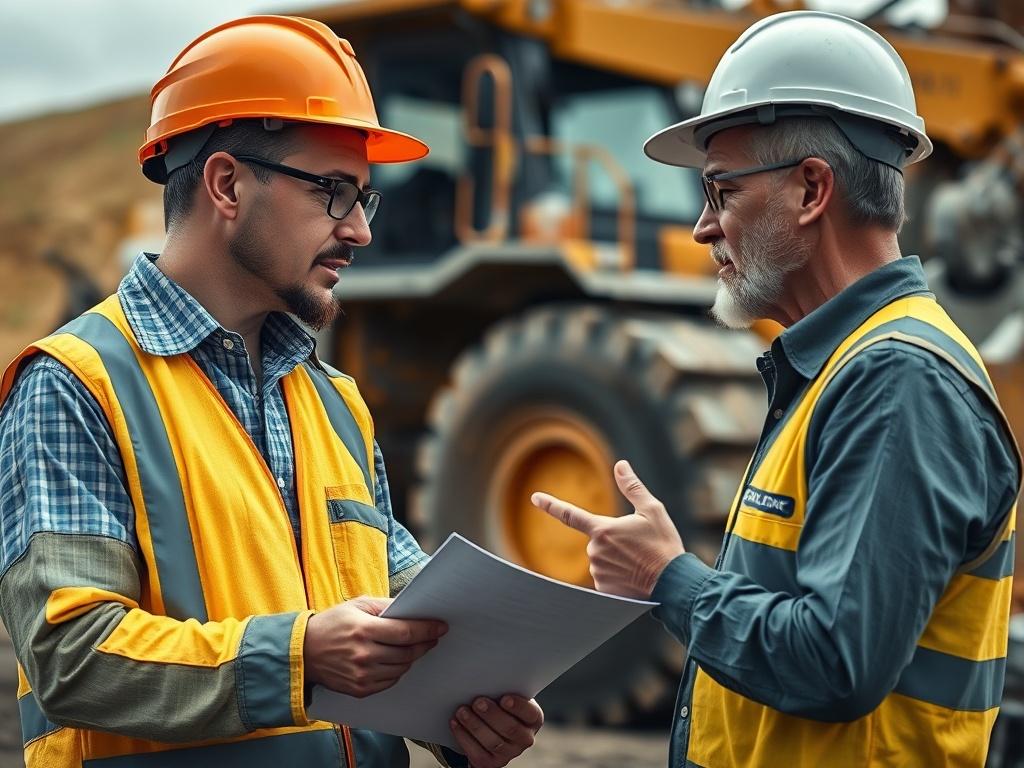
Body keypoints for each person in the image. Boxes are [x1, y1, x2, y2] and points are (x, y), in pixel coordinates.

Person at [0, 16, 542, 768]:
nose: (359, 230)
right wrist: (299, 657)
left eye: (363, 199)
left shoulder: (334, 403)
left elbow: (400, 618)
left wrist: (466, 711)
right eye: (333, 192)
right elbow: (73, 657)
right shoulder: (75, 385)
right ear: (226, 184)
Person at [532, 11, 1021, 768]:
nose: (703, 227)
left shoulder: (896, 382)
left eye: (722, 191)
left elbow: (835, 661)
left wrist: (670, 579)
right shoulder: (841, 371)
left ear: (811, 190)